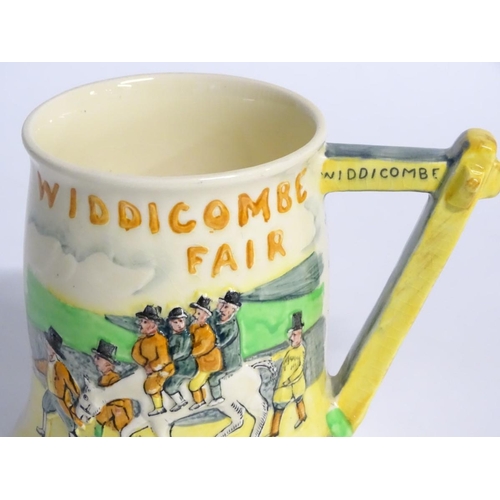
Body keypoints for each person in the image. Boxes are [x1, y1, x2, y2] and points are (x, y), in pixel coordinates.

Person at [36, 327, 82, 437]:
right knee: (45, 405)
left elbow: (70, 383)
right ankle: (44, 430)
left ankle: (73, 434)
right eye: (47, 346)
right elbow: (43, 368)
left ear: (55, 350)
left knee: (66, 418)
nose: (48, 349)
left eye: (49, 347)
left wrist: (78, 395)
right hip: (50, 392)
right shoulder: (49, 362)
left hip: (60, 398)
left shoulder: (60, 367)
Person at [132, 305, 174, 416]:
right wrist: (145, 364)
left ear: (154, 324)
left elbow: (163, 359)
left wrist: (151, 366)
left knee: (152, 387)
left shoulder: (160, 340)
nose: (141, 324)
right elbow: (135, 354)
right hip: (151, 369)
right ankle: (159, 407)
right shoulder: (141, 340)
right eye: (142, 321)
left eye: (145, 322)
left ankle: (176, 401)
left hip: (165, 368)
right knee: (149, 386)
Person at [270, 312, 307, 437]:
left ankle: (274, 432)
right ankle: (275, 431)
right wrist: (272, 358)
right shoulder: (290, 348)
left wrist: (289, 380)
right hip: (285, 384)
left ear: (300, 334)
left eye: (294, 335)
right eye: (291, 335)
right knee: (280, 405)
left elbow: (299, 369)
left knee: (281, 406)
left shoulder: (301, 350)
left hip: (293, 384)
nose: (291, 338)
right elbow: (282, 353)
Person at [91, 339, 134, 437]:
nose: (95, 360)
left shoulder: (114, 379)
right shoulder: (104, 379)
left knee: (99, 418)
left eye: (98, 358)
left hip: (119, 416)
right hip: (111, 414)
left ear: (108, 363)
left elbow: (118, 404)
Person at [208, 290, 243, 406]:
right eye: (222, 305)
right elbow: (208, 320)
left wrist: (211, 342)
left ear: (234, 310)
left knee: (213, 378)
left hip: (229, 362)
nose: (222, 309)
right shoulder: (217, 317)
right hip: (217, 359)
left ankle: (218, 398)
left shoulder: (231, 327)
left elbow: (221, 342)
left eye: (226, 307)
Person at [188, 295, 223, 410]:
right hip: (202, 363)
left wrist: (191, 352)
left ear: (206, 316)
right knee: (196, 382)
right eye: (196, 312)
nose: (195, 315)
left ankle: (200, 402)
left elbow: (203, 348)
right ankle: (202, 399)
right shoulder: (195, 327)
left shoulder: (207, 332)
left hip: (210, 362)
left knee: (193, 385)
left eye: (198, 313)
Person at [163, 307, 197, 411]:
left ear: (185, 321)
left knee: (169, 386)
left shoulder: (185, 336)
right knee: (167, 384)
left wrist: (169, 358)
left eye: (181, 321)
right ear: (170, 323)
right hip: (178, 366)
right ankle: (180, 401)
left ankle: (181, 402)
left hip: (187, 367)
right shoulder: (172, 335)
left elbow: (182, 352)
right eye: (175, 322)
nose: (179, 324)